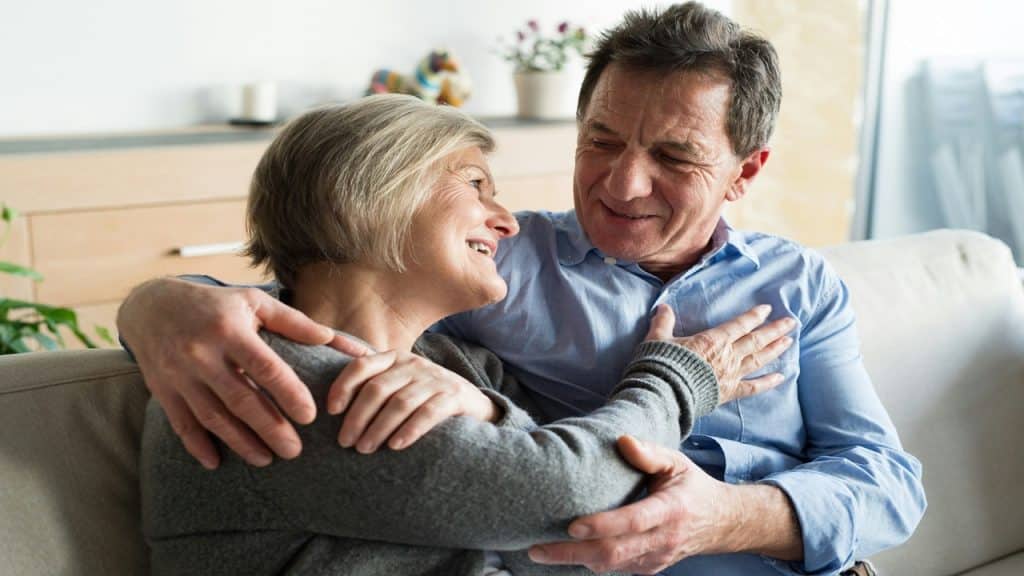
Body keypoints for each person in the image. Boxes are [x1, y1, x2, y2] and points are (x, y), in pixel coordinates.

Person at [120, 3, 926, 575]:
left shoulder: (801, 283)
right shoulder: (487, 273)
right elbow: (317, 273)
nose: (623, 181)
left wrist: (727, 519)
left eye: (675, 159)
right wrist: (159, 301)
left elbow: (887, 483)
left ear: (745, 171)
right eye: (600, 141)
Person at [140, 94, 794, 575]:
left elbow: (548, 459)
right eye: (476, 183)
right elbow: (574, 493)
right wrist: (679, 379)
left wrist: (485, 406)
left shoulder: (452, 360)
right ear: (371, 192)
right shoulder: (268, 379)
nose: (506, 221)